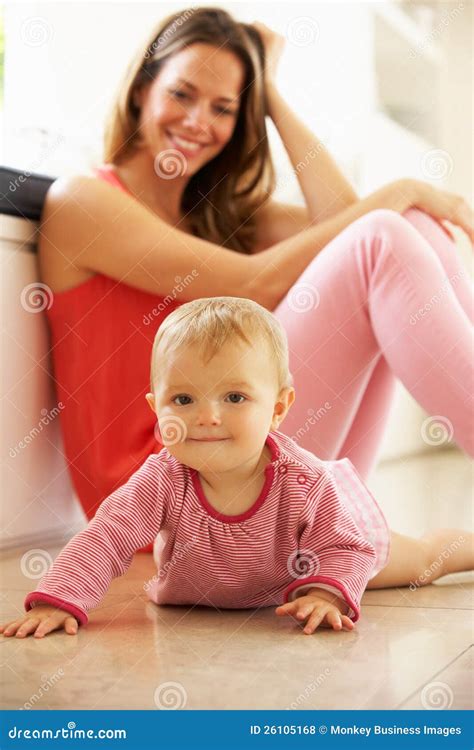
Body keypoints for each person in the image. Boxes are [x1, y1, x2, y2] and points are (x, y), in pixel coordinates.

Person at [38, 8, 474, 555]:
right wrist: (402, 187)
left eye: (224, 108)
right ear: (141, 88)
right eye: (182, 94)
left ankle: (325, 523)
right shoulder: (83, 201)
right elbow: (260, 282)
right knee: (387, 230)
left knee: (404, 225)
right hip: (161, 497)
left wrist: (269, 94)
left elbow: (344, 215)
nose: (199, 121)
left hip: (244, 465)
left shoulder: (218, 216)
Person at [1, 297, 473, 639]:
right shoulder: (161, 478)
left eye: (234, 397)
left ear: (279, 407)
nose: (207, 417)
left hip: (305, 567)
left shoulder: (303, 480)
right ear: (156, 407)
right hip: (213, 582)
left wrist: (326, 594)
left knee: (419, 563)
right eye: (183, 399)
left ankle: (462, 549)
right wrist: (56, 599)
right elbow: (106, 537)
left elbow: (345, 548)